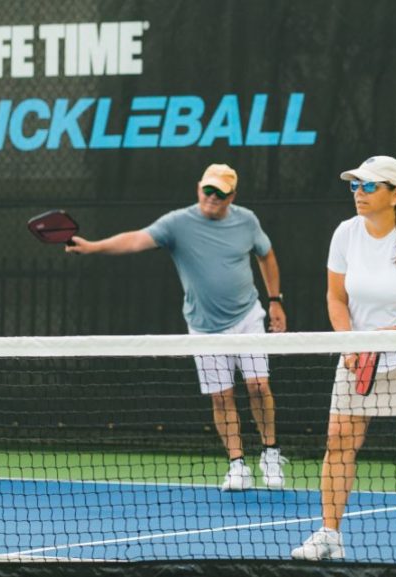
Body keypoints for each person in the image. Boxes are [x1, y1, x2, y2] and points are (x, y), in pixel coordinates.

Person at [65, 163, 289, 491]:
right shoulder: (177, 223)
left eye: (220, 193)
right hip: (204, 326)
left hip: (247, 318)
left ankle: (270, 453)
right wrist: (92, 246)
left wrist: (275, 300)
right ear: (199, 188)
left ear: (232, 196)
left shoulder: (247, 221)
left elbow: (266, 256)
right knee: (221, 396)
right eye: (207, 190)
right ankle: (237, 464)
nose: (212, 197)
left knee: (258, 386)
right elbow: (134, 240)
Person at [291, 155, 396, 567]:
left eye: (369, 186)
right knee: (338, 441)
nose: (359, 194)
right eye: (355, 186)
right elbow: (336, 297)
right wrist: (350, 343)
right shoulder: (345, 234)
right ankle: (330, 534)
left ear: (395, 193)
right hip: (360, 355)